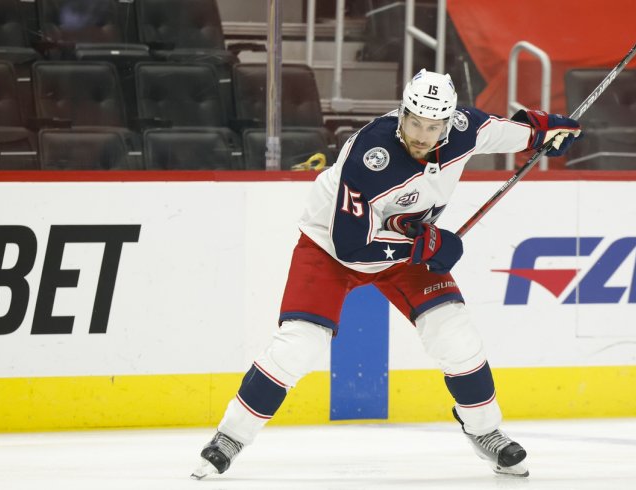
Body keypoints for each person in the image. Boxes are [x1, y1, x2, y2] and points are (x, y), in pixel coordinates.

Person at [190, 69, 581, 480]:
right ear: (402, 113)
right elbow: (351, 246)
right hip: (330, 249)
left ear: (448, 123)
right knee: (298, 345)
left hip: (404, 249)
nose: (421, 134)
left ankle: (486, 432)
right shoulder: (370, 156)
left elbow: (503, 132)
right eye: (414, 122)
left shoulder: (464, 129)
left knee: (456, 335)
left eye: (432, 126)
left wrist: (542, 133)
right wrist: (424, 246)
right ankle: (230, 438)